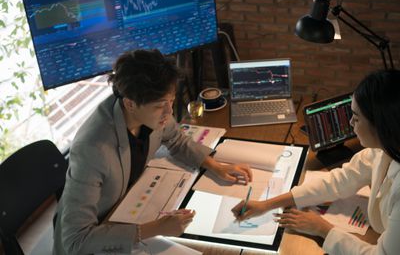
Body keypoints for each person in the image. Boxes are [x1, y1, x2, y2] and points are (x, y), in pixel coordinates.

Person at [53, 49, 252, 255]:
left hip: (127, 207)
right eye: (160, 106)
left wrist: (215, 166)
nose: (170, 112)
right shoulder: (92, 150)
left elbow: (175, 138)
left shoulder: (151, 111)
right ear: (130, 103)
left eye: (172, 101)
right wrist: (155, 228)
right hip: (98, 233)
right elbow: (75, 240)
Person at [232, 69, 400, 254]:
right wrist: (267, 204)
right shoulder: (381, 151)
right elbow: (341, 180)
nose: (351, 123)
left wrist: (322, 229)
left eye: (357, 117)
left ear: (382, 125)